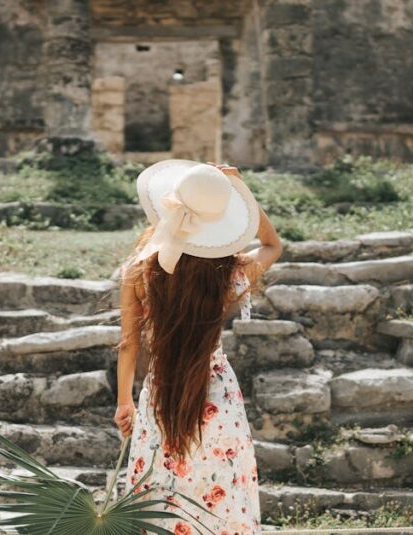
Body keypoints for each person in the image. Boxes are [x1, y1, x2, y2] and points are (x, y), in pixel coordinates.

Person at [114, 160, 282, 535]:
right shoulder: (227, 275)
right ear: (220, 227)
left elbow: (129, 344)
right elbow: (272, 244)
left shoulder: (138, 271)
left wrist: (124, 400)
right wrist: (244, 195)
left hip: (161, 393)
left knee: (159, 497)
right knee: (221, 501)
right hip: (217, 396)